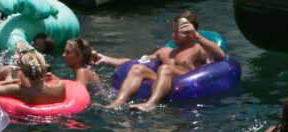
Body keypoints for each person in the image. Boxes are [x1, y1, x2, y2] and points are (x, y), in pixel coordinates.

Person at [94, 11, 225, 111]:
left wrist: (197, 36)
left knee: (165, 68)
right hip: (161, 81)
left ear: (190, 31)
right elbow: (137, 61)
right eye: (173, 31)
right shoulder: (165, 51)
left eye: (177, 32)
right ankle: (117, 103)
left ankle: (151, 104)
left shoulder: (197, 49)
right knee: (137, 69)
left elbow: (220, 55)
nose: (173, 35)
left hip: (184, 84)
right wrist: (106, 59)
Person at [0, 48, 65, 105]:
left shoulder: (19, 90)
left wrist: (6, 81)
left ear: (24, 72)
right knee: (9, 69)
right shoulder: (60, 86)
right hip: (35, 78)